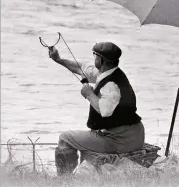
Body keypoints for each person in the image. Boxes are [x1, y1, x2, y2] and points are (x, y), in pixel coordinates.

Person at [48, 42, 144, 175]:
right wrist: (58, 59)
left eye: (95, 55)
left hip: (121, 140)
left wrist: (89, 94)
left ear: (102, 59)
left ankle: (64, 180)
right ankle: (82, 174)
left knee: (65, 138)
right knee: (87, 140)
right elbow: (80, 67)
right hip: (130, 135)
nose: (94, 58)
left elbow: (105, 111)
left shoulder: (111, 84)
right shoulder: (108, 73)